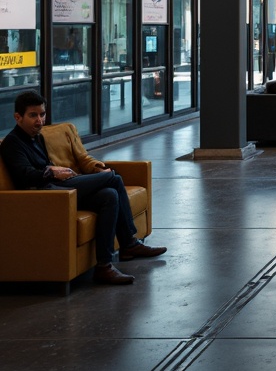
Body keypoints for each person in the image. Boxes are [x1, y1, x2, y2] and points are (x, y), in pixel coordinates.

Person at [1, 91, 166, 285]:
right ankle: (129, 243)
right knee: (113, 179)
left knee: (109, 196)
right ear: (17, 117)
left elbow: (47, 164)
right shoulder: (12, 142)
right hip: (44, 193)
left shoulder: (37, 137)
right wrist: (51, 172)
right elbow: (24, 176)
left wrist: (56, 170)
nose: (40, 120)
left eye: (42, 114)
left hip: (59, 189)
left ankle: (104, 266)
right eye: (33, 115)